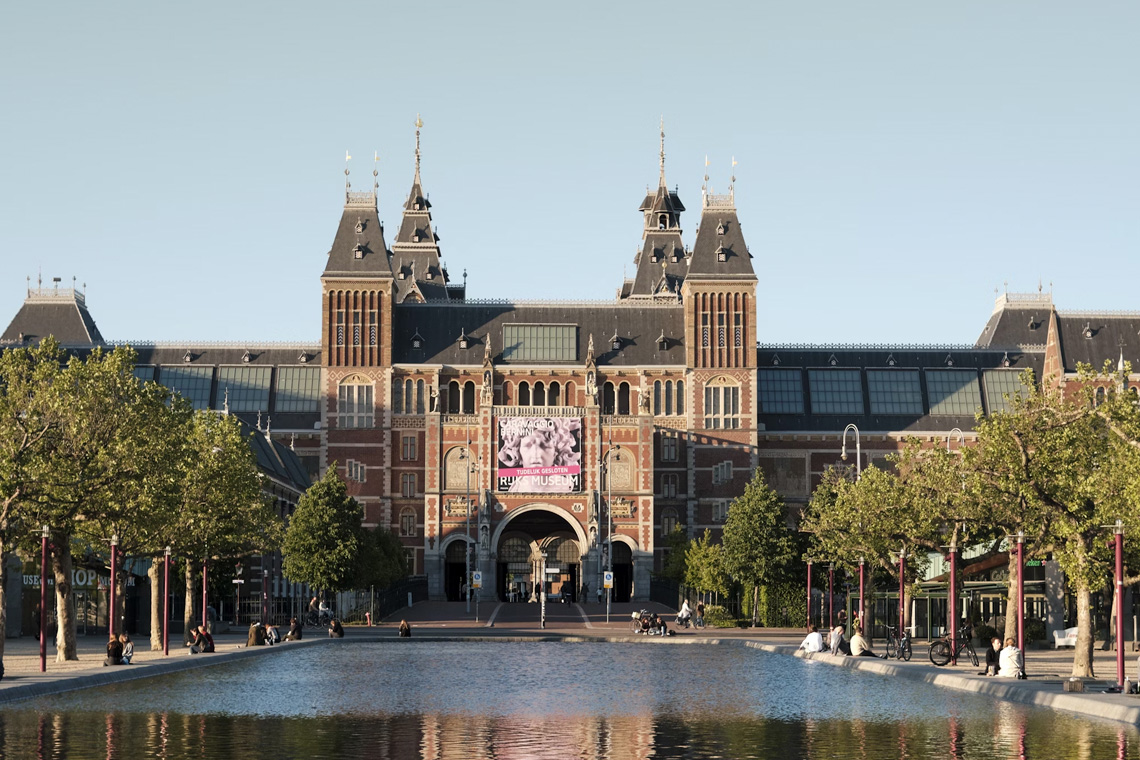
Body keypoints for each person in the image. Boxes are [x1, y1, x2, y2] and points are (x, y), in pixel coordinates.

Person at [498, 417, 582, 493]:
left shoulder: (564, 486)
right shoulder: (515, 488)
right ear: (518, 451)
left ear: (556, 452)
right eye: (528, 445)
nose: (536, 454)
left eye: (545, 446)